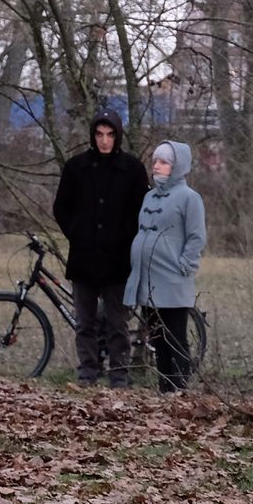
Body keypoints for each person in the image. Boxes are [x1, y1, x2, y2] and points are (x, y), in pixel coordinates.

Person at [51, 112, 148, 388]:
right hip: (84, 258)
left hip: (118, 260)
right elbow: (61, 207)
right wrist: (77, 233)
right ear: (93, 136)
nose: (104, 140)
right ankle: (87, 373)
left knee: (118, 323)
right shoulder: (76, 167)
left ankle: (119, 375)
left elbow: (141, 210)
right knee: (85, 322)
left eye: (110, 134)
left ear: (117, 136)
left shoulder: (133, 169)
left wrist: (125, 237)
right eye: (99, 134)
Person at [125, 141, 207, 394]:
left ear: (177, 166)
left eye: (164, 162)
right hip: (148, 280)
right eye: (155, 161)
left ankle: (179, 391)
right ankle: (165, 390)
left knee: (175, 338)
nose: (157, 166)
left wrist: (184, 266)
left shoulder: (190, 198)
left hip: (172, 281)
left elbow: (196, 237)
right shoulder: (149, 196)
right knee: (158, 339)